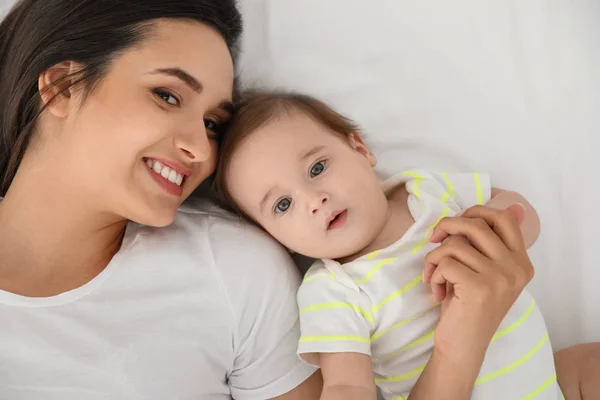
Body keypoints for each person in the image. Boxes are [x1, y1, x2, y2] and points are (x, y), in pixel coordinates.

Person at [0, 1, 325, 399]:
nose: (201, 151)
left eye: (212, 124)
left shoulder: (235, 272)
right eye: (167, 96)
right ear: (63, 88)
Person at [214, 90, 600, 399]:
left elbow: (518, 209)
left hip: (551, 382)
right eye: (283, 205)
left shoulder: (424, 189)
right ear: (274, 239)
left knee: (590, 362)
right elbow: (347, 384)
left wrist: (492, 232)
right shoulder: (332, 290)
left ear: (360, 150)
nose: (314, 200)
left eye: (317, 168)